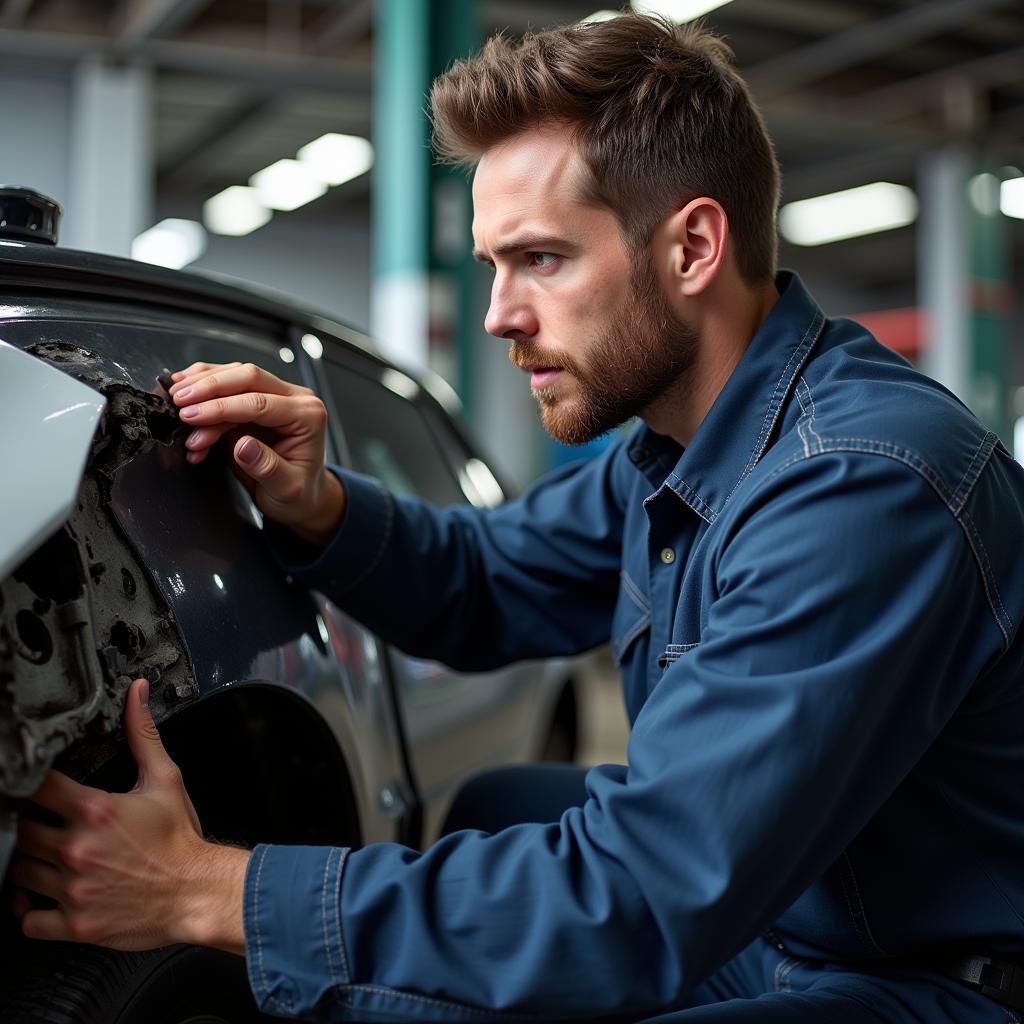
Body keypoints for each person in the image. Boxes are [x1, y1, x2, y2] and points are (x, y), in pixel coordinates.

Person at [11, 13, 1024, 1023]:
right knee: (495, 813)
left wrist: (204, 887)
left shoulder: (859, 486)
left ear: (692, 247)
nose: (497, 313)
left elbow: (637, 898)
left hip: (925, 980)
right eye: (492, 264)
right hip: (787, 926)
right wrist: (313, 504)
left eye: (539, 259)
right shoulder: (669, 450)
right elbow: (491, 580)